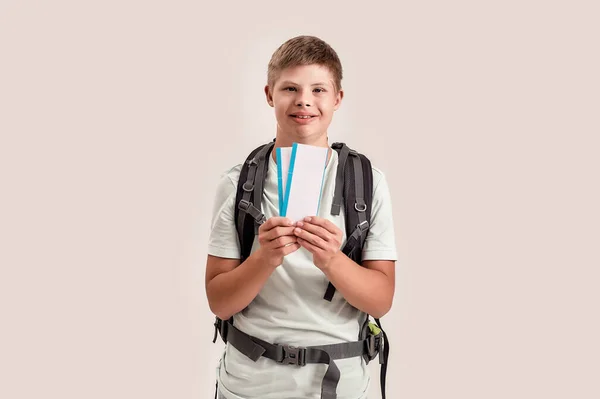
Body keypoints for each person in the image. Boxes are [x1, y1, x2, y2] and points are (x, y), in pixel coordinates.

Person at [205, 35, 397, 399]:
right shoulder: (237, 183)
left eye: (318, 89)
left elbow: (381, 300)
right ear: (269, 94)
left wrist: (331, 260)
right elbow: (220, 300)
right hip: (248, 385)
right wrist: (265, 258)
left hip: (339, 385)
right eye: (290, 88)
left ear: (337, 98)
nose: (304, 100)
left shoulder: (367, 184)